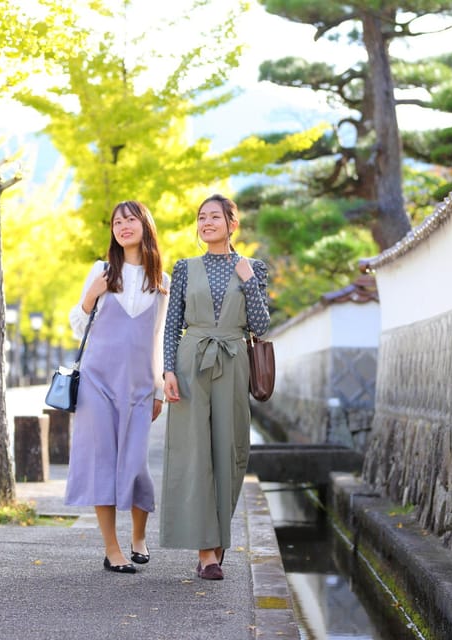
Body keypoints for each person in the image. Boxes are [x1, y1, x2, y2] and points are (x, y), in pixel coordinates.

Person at [160, 194, 270, 580]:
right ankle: (206, 551)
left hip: (234, 361)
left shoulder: (252, 267)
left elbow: (261, 326)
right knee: (193, 453)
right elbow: (173, 324)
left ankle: (219, 538)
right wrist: (168, 370)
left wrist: (249, 282)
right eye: (201, 217)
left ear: (232, 223)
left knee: (230, 450)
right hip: (192, 361)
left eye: (214, 217)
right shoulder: (184, 268)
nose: (206, 223)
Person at [65, 200, 170, 575]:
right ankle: (113, 550)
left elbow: (158, 339)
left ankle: (138, 536)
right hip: (97, 382)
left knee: (137, 464)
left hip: (141, 386)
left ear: (145, 225)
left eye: (130, 220)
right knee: (102, 464)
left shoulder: (162, 282)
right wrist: (92, 293)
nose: (123, 226)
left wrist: (158, 389)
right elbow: (78, 325)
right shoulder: (102, 269)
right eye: (116, 221)